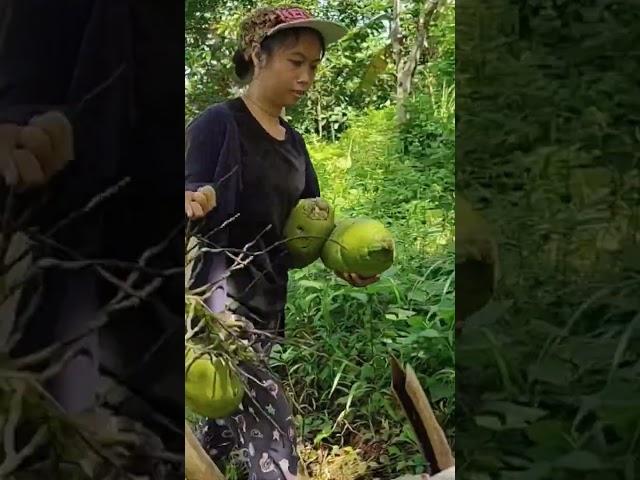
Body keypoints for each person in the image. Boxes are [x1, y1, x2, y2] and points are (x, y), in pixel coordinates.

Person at [184, 5, 380, 478]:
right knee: (272, 420)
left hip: (268, 305)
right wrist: (196, 198)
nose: (307, 76)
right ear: (258, 55)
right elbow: (186, 192)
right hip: (218, 307)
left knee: (224, 434)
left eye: (314, 65)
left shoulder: (294, 143)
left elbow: (312, 222)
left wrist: (347, 262)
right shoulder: (219, 123)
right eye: (296, 61)